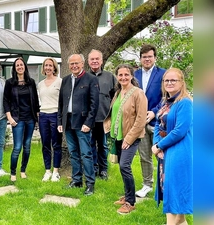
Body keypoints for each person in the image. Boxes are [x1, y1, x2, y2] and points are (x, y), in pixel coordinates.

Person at [104, 64, 147, 214]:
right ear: (117, 76)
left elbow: (141, 119)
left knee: (124, 166)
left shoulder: (138, 93)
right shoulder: (118, 92)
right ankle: (127, 195)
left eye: (126, 75)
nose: (123, 77)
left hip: (131, 137)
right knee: (123, 168)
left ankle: (130, 202)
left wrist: (129, 138)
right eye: (120, 75)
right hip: (118, 136)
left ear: (131, 76)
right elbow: (114, 112)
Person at [152, 68, 193, 225]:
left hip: (180, 151)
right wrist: (157, 143)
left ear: (181, 82)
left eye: (173, 80)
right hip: (166, 150)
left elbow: (179, 131)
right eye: (166, 80)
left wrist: (159, 145)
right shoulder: (165, 102)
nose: (169, 83)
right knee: (169, 188)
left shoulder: (185, 103)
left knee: (175, 188)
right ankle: (180, 222)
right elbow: (158, 124)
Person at [57, 54, 99, 196]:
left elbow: (94, 104)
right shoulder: (66, 80)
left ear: (82, 64)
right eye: (71, 64)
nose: (74, 66)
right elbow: (61, 103)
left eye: (77, 63)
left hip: (83, 124)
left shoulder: (91, 79)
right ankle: (76, 180)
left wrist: (89, 122)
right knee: (73, 153)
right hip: (68, 122)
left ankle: (90, 183)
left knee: (86, 154)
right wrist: (60, 121)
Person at [134, 44, 166, 198]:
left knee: (162, 154)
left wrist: (154, 112)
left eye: (149, 56)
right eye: (144, 57)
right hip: (140, 122)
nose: (147, 59)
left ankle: (166, 184)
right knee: (144, 155)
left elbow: (166, 97)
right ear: (140, 59)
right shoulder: (135, 75)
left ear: (155, 58)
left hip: (157, 121)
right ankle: (147, 184)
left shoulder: (163, 74)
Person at [3, 57, 40, 182]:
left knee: (27, 146)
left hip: (30, 119)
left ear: (25, 67)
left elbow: (35, 100)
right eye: (17, 65)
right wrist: (9, 117)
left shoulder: (31, 82)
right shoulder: (10, 83)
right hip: (17, 119)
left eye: (21, 65)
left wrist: (37, 116)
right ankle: (13, 172)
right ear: (14, 68)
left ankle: (23, 170)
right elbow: (6, 101)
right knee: (17, 147)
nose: (19, 67)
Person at [87, 49, 116, 180]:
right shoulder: (84, 77)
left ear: (101, 60)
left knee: (103, 146)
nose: (94, 61)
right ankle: (93, 167)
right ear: (88, 61)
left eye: (97, 59)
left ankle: (103, 169)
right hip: (88, 119)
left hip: (104, 118)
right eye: (92, 59)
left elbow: (116, 96)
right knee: (90, 144)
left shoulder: (110, 77)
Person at [37, 58, 63, 182]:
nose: (48, 68)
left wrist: (60, 119)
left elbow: (63, 101)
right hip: (43, 116)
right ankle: (47, 170)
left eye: (50, 65)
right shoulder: (40, 84)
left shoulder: (60, 82)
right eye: (46, 65)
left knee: (56, 144)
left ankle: (56, 171)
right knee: (45, 144)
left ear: (54, 68)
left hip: (55, 115)